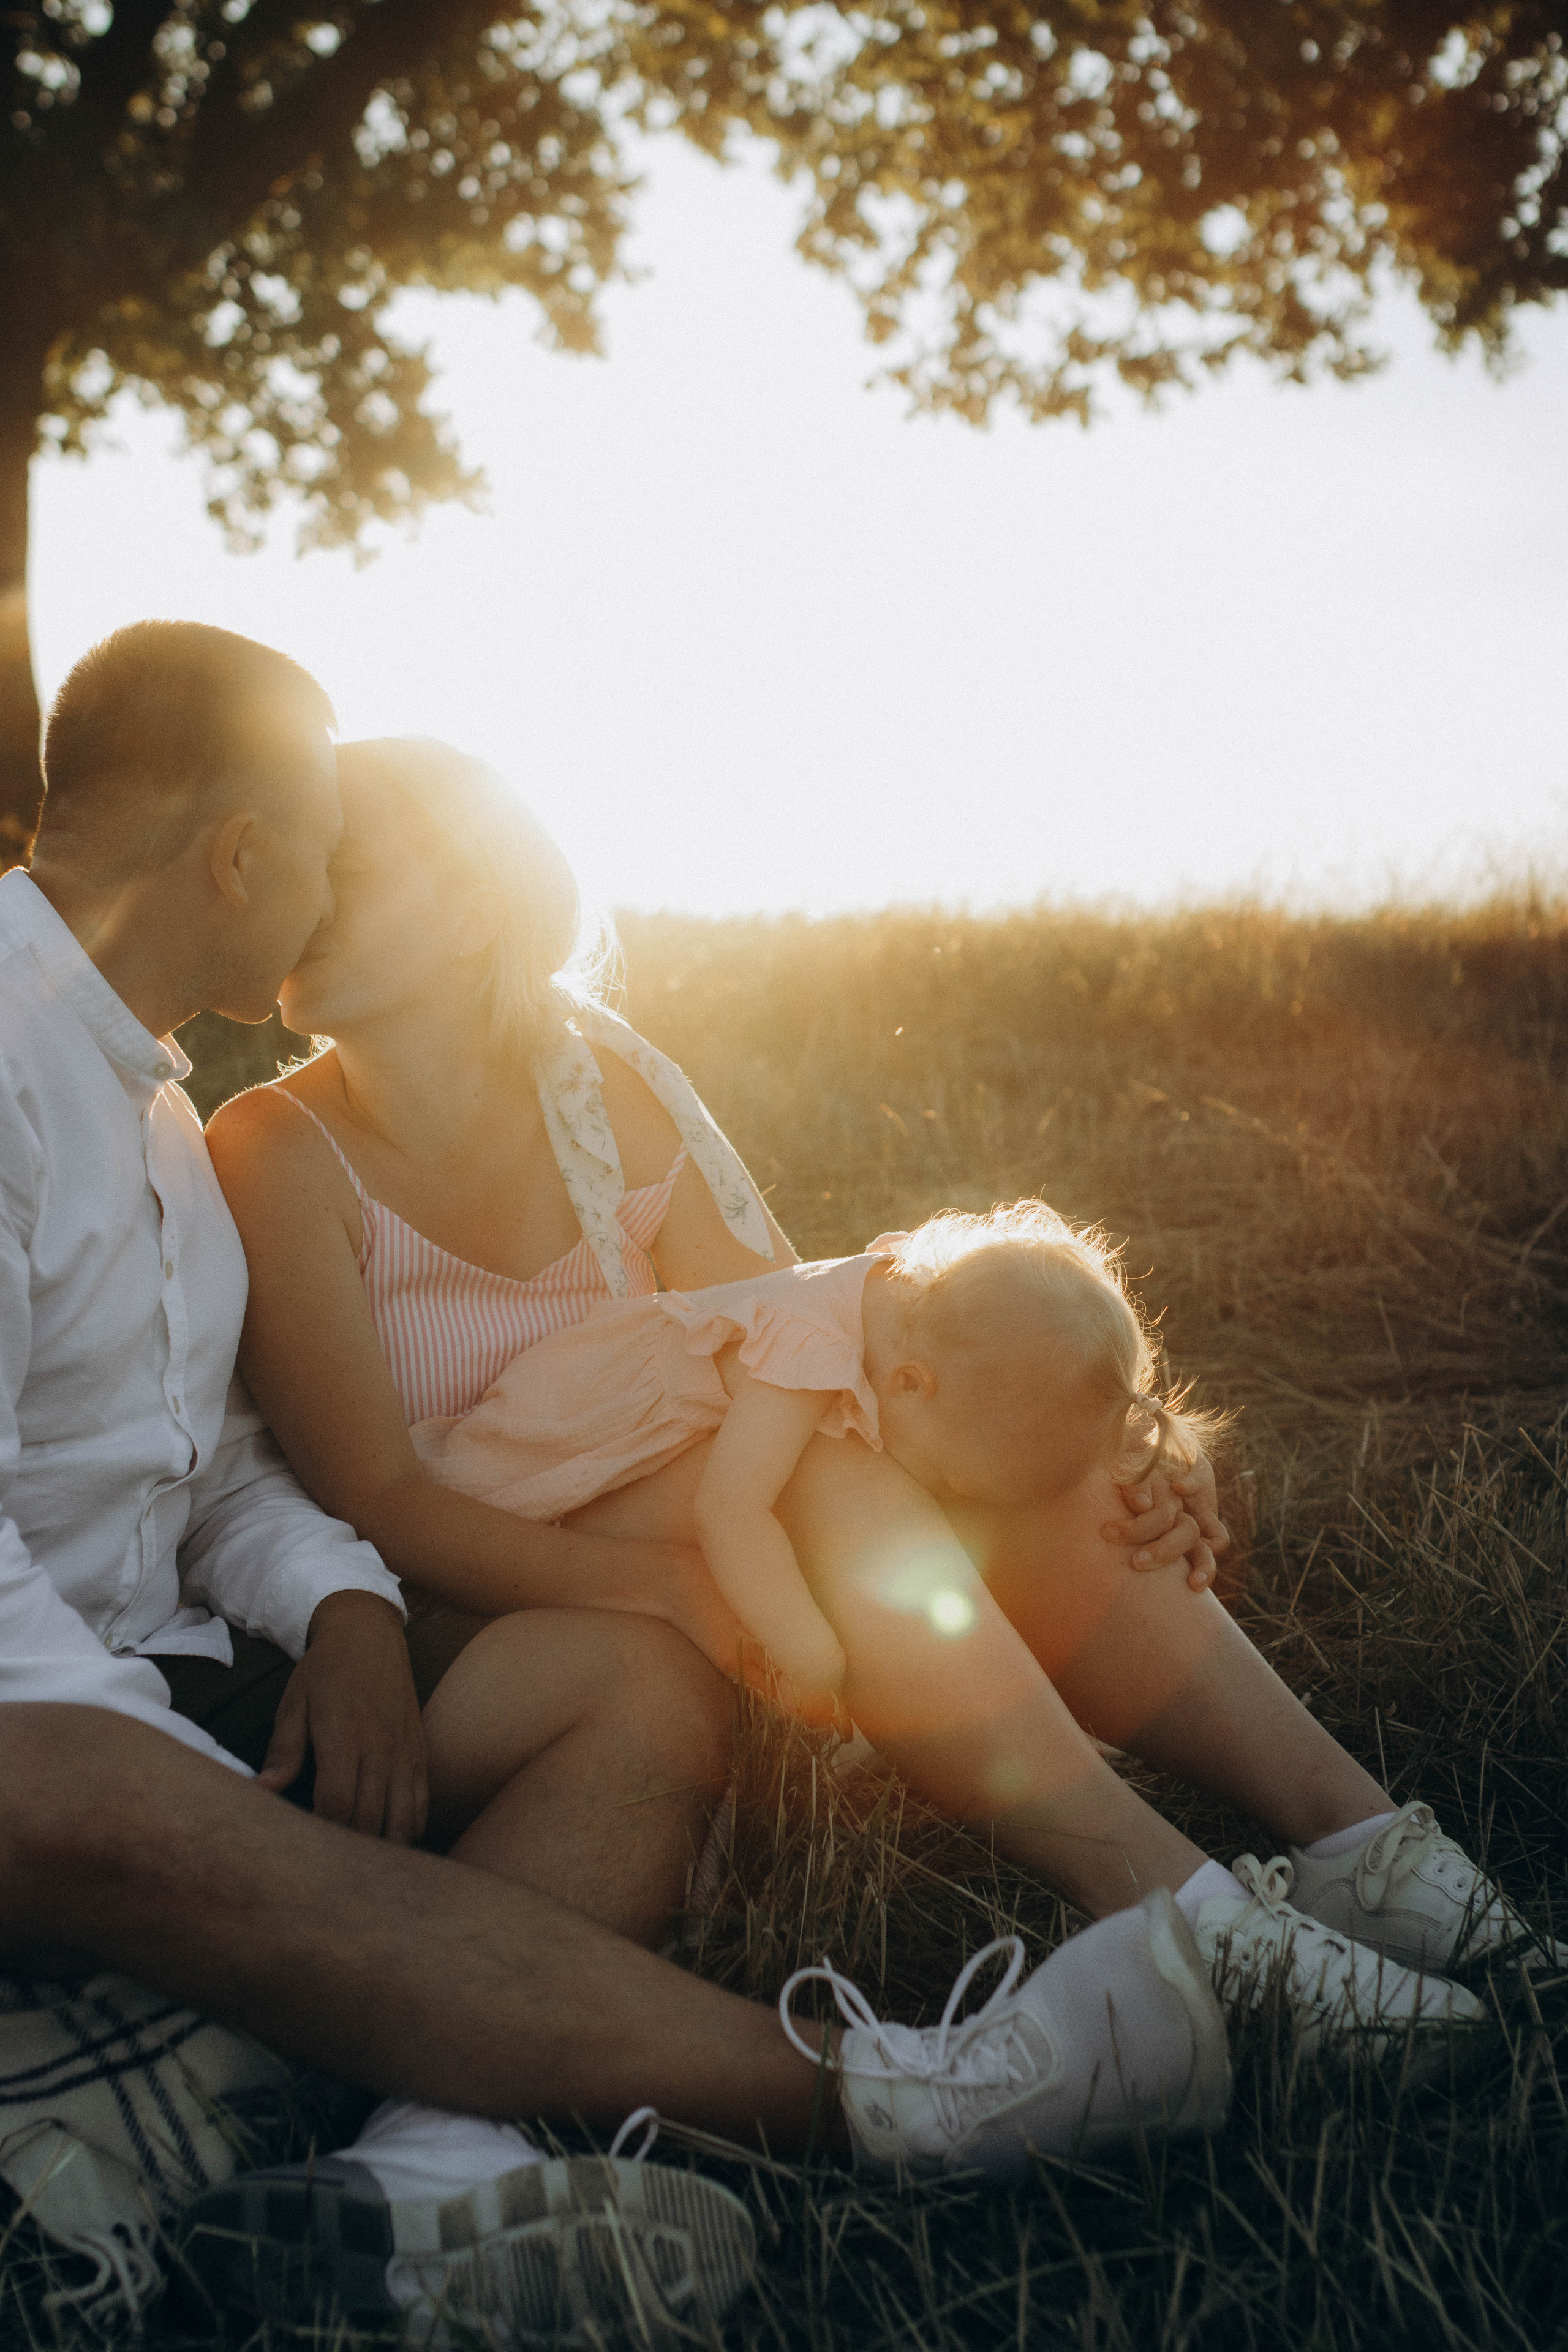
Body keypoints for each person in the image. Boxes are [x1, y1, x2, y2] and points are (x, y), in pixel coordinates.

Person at [0, 622, 1237, 2348]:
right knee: (86, 1786)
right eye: (324, 857)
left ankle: (424, 2157)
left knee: (639, 1688)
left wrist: (342, 1604)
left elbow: (216, 1478)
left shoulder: (155, 1123)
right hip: (55, 1720)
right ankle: (914, 2096)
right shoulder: (51, 1081)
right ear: (243, 854)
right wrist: (171, 1761)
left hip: (191, 1667)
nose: (322, 908)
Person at [206, 733, 1537, 2059]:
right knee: (830, 1474)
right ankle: (1174, 1910)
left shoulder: (596, 1082)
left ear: (468, 899)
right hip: (474, 1602)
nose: (295, 892)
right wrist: (664, 1588)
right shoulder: (274, 1150)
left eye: (346, 861)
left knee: (1024, 1455)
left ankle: (1356, 1845)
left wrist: (1109, 1439)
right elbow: (375, 1496)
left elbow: (781, 1331)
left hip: (709, 1534)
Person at [408, 1200, 1223, 1728]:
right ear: (910, 1384)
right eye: (944, 1478)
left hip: (608, 1468)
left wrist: (1142, 1450)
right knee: (814, 1490)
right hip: (524, 1489)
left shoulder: (917, 1308)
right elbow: (731, 1513)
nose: (936, 1493)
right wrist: (819, 1666)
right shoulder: (810, 1349)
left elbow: (1041, 1295)